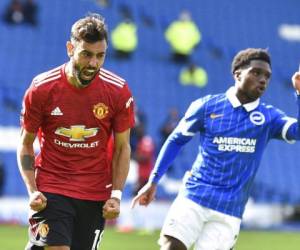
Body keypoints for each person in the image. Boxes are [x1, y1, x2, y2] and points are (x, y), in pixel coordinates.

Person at [132, 48, 300, 250]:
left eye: (267, 76)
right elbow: (176, 140)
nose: (263, 80)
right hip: (194, 197)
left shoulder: (269, 117)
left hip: (229, 211)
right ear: (237, 74)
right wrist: (153, 180)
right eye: (256, 72)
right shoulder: (206, 106)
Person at [17, 13, 135, 250]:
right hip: (53, 187)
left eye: (100, 56)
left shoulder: (117, 91)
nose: (93, 63)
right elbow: (26, 143)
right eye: (86, 54)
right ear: (70, 48)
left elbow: (123, 147)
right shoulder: (42, 88)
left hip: (94, 194)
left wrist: (117, 194)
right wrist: (33, 190)